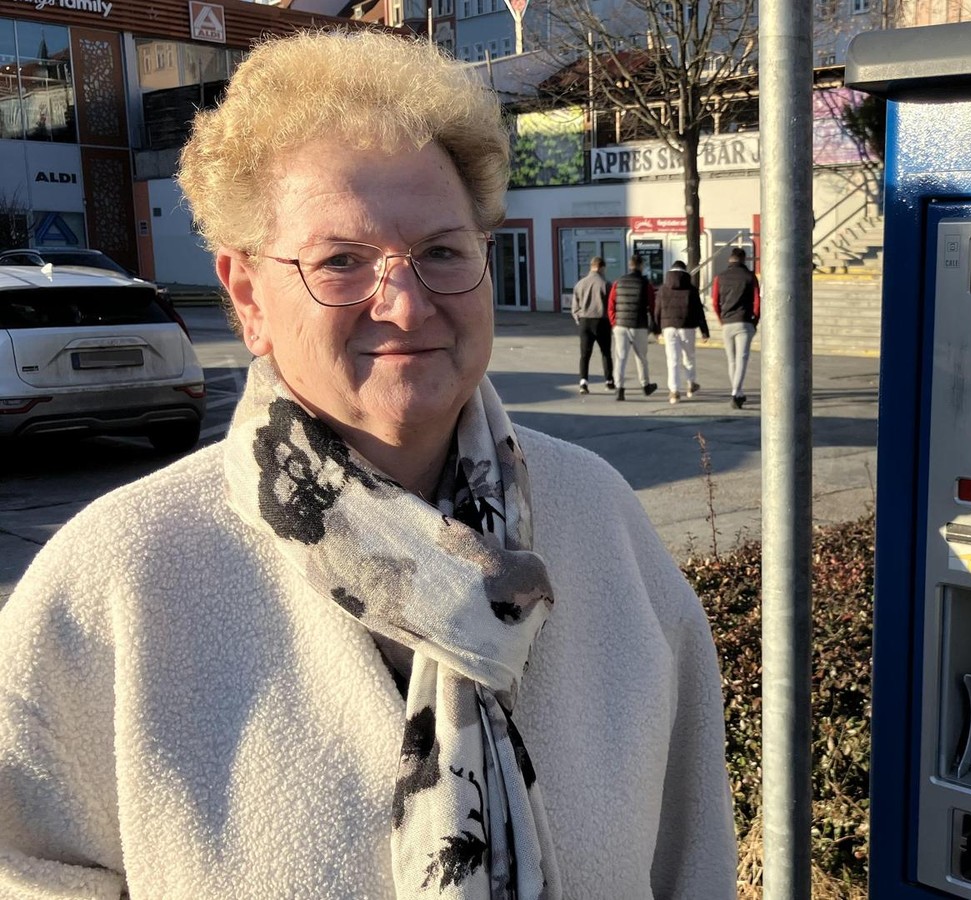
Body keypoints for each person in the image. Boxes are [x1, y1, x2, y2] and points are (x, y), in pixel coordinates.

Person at [0, 31, 736, 900]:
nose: (407, 300)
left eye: (442, 251)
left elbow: (693, 855)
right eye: (341, 262)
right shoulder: (122, 574)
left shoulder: (602, 519)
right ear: (247, 297)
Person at [712, 246, 760, 409]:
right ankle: (735, 392)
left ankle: (737, 392)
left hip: (727, 322)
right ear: (744, 259)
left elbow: (714, 302)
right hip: (744, 321)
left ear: (730, 259)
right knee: (742, 359)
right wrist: (755, 321)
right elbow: (757, 302)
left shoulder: (720, 277)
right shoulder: (750, 276)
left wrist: (721, 319)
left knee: (731, 360)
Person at [656, 260, 709, 404]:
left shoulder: (663, 289)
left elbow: (657, 310)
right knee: (689, 357)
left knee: (672, 360)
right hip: (687, 326)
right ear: (685, 271)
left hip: (669, 327)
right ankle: (691, 385)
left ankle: (674, 392)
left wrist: (655, 329)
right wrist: (704, 331)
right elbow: (699, 311)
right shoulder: (691, 290)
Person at [607, 254, 658, 401]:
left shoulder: (618, 282)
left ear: (630, 265)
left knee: (620, 358)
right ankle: (645, 386)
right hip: (639, 325)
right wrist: (653, 325)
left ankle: (620, 390)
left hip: (621, 326)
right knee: (641, 357)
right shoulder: (645, 283)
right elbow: (652, 306)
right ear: (641, 266)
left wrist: (614, 323)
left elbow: (611, 305)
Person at [570, 255, 614, 395]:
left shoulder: (580, 284)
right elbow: (611, 305)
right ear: (601, 267)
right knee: (606, 352)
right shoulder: (606, 284)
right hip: (602, 321)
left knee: (585, 354)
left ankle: (583, 382)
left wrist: (579, 319)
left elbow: (574, 307)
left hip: (585, 321)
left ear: (591, 266)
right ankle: (609, 381)